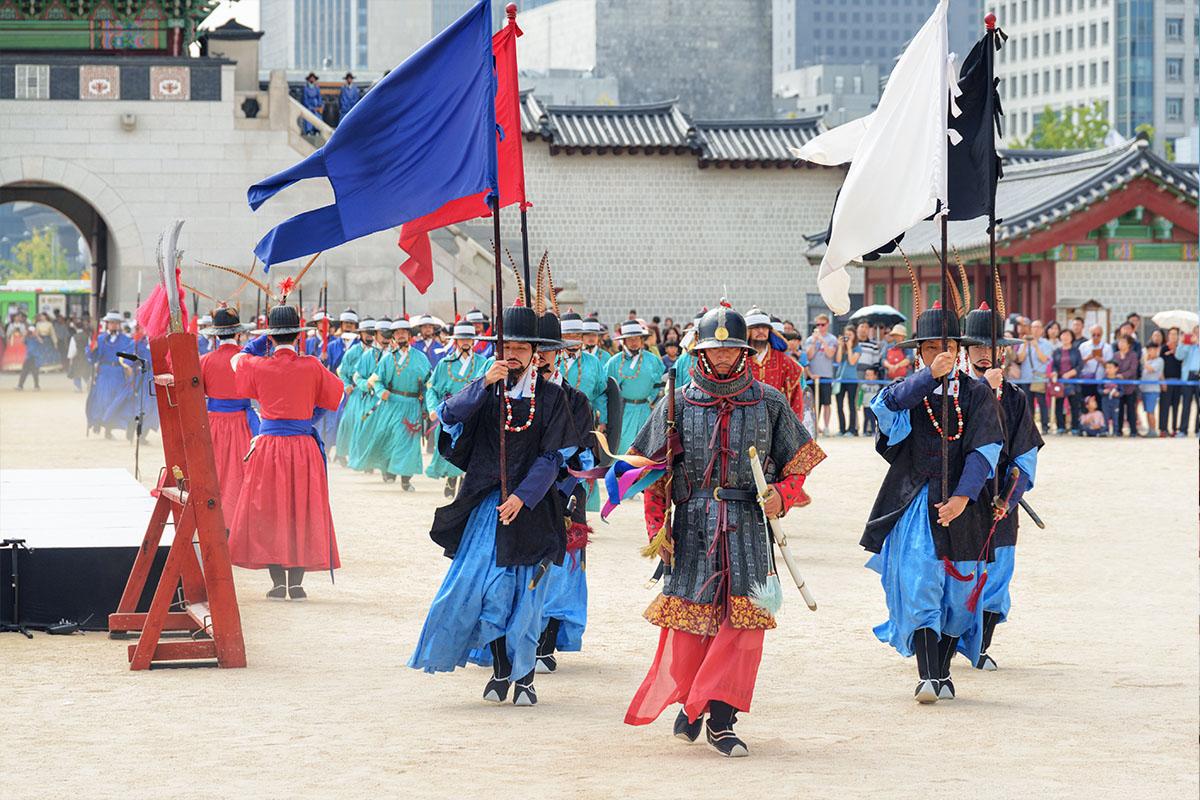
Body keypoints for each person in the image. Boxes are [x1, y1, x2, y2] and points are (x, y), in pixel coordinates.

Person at [622, 304, 826, 757]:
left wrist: (781, 495)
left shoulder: (769, 401)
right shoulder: (676, 402)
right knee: (693, 625)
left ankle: (722, 718)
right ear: (700, 350)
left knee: (743, 626)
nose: (721, 358)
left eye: (730, 349)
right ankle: (692, 701)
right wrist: (658, 529)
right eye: (713, 350)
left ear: (744, 351)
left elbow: (800, 463)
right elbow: (648, 472)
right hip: (694, 524)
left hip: (750, 527)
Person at [408, 303, 571, 707]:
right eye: (507, 346)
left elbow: (553, 457)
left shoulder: (552, 397)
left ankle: (526, 678)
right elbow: (447, 416)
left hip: (533, 509)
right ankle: (500, 669)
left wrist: (522, 496)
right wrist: (482, 384)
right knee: (487, 593)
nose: (513, 354)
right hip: (487, 508)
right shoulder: (485, 389)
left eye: (521, 347)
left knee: (528, 599)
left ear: (537, 352)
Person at [862, 302, 1003, 703]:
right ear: (919, 353)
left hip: (965, 504)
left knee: (960, 596)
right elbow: (885, 410)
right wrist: (928, 378)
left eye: (947, 345)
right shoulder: (908, 393)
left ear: (959, 349)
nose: (939, 353)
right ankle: (927, 674)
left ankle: (942, 670)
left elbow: (985, 450)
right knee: (921, 580)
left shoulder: (977, 394)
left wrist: (962, 496)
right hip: (916, 500)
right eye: (929, 348)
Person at [227, 305, 344, 600]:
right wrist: (307, 418)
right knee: (302, 509)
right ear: (298, 335)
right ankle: (297, 584)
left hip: (268, 445)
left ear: (272, 336)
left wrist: (260, 342)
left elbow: (235, 360)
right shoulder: (312, 365)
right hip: (302, 445)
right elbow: (338, 394)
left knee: (269, 509)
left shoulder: (259, 365)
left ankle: (278, 583)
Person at [959, 304, 1043, 671]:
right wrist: (980, 391)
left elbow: (1025, 456)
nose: (985, 355)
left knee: (998, 576)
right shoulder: (952, 393)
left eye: (992, 348)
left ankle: (980, 646)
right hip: (960, 497)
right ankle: (942, 646)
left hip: (998, 500)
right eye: (976, 347)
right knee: (957, 577)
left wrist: (1009, 499)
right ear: (964, 352)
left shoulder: (1016, 399)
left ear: (1004, 353)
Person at [532, 306, 594, 675]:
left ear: (559, 353)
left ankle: (547, 639)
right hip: (519, 496)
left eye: (547, 348)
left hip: (562, 494)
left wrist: (564, 488)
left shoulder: (576, 401)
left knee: (562, 570)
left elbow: (585, 455)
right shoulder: (508, 396)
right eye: (531, 347)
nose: (539, 355)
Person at [198, 307, 257, 514]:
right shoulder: (247, 360)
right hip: (242, 423)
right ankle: (238, 518)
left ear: (216, 335)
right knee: (240, 473)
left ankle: (212, 516)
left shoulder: (204, 361)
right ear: (238, 334)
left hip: (213, 422)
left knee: (214, 469)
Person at [360, 318, 431, 488]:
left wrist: (427, 407)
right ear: (393, 336)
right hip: (391, 403)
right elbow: (376, 380)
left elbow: (429, 384)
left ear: (409, 335)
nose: (400, 335)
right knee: (389, 437)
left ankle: (406, 478)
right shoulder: (387, 359)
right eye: (397, 333)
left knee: (408, 441)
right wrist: (380, 391)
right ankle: (389, 469)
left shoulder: (421, 358)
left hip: (412, 404)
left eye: (403, 332)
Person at [426, 322, 486, 497]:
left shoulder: (483, 363)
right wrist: (433, 408)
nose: (465, 341)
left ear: (473, 340)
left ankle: (463, 482)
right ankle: (452, 478)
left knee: (472, 448)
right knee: (452, 447)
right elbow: (432, 389)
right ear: (456, 341)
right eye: (462, 338)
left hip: (474, 412)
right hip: (451, 412)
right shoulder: (445, 363)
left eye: (469, 338)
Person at [558, 311, 609, 512]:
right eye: (568, 335)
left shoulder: (593, 362)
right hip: (556, 419)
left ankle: (583, 510)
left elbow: (599, 392)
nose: (573, 340)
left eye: (577, 335)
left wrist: (602, 420)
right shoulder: (552, 359)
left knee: (585, 462)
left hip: (583, 420)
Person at [606, 319, 665, 454]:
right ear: (624, 341)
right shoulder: (613, 362)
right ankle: (623, 474)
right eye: (630, 339)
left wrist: (652, 401)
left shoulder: (653, 360)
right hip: (624, 410)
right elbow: (608, 388)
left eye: (637, 338)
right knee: (623, 445)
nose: (634, 342)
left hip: (646, 409)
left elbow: (660, 384)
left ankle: (643, 474)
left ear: (642, 340)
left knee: (647, 445)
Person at [345, 317, 392, 474]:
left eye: (388, 334)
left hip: (389, 401)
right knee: (366, 432)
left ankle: (387, 468)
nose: (385, 338)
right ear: (376, 335)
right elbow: (357, 377)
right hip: (370, 400)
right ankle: (368, 462)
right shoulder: (367, 355)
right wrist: (366, 385)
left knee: (387, 434)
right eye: (382, 334)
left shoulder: (395, 355)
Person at [744, 307, 806, 424]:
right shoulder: (739, 359)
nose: (761, 331)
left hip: (777, 422)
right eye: (756, 328)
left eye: (765, 328)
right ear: (748, 332)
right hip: (746, 421)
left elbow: (795, 397)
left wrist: (794, 425)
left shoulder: (784, 361)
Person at [333, 317, 376, 464]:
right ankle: (342, 452)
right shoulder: (353, 352)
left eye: (372, 332)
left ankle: (367, 456)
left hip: (375, 392)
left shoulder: (379, 352)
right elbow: (342, 371)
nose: (370, 336)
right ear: (361, 334)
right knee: (349, 421)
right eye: (367, 332)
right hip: (357, 392)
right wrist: (346, 385)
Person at [86, 311, 135, 438]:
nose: (113, 325)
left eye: (116, 323)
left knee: (117, 400)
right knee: (103, 400)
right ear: (107, 324)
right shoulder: (100, 339)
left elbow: (130, 356)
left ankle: (111, 428)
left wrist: (128, 365)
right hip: (104, 373)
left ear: (119, 325)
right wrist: (93, 349)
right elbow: (92, 358)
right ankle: (100, 424)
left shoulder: (126, 340)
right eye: (111, 323)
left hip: (119, 373)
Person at [1014, 319, 1052, 434]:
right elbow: (1020, 359)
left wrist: (1036, 346)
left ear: (1042, 330)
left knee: (1042, 401)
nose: (1035, 330)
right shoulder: (1024, 342)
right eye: (1033, 327)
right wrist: (1025, 345)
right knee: (1028, 402)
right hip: (1025, 377)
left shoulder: (1046, 343)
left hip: (1039, 377)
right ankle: (1030, 427)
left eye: (1038, 327)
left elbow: (1044, 359)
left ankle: (1045, 426)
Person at [804, 314, 838, 435]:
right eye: (817, 324)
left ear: (827, 324)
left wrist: (822, 340)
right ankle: (815, 426)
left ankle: (827, 426)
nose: (820, 327)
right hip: (813, 375)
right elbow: (809, 356)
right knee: (813, 403)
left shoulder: (832, 339)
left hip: (826, 375)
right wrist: (814, 342)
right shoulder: (809, 340)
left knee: (826, 402)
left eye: (822, 324)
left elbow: (830, 354)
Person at [1050, 329, 1083, 434]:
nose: (1065, 337)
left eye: (1068, 335)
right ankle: (1060, 427)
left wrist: (1070, 373)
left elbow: (1080, 365)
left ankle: (1074, 428)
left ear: (1072, 337)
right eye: (1063, 335)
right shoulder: (1057, 351)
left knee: (1074, 405)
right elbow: (1054, 365)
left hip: (1073, 381)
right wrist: (1055, 372)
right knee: (1059, 405)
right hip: (1060, 382)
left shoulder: (1076, 351)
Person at [834, 324, 860, 435]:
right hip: (840, 379)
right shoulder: (842, 346)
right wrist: (840, 346)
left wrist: (849, 347)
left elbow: (852, 361)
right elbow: (838, 360)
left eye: (850, 334)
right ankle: (841, 429)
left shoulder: (858, 348)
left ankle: (851, 429)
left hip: (852, 380)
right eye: (846, 335)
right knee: (839, 405)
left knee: (851, 405)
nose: (848, 337)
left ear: (854, 336)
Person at [1078, 325, 1112, 407]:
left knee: (1100, 405)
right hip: (1086, 380)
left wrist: (1102, 361)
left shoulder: (1107, 347)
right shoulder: (1083, 346)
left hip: (1101, 380)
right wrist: (1087, 358)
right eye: (1093, 334)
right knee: (1085, 405)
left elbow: (1111, 366)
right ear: (1090, 334)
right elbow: (1077, 364)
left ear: (1102, 335)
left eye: (1098, 335)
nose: (1096, 337)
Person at [1112, 335, 1139, 436]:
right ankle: (1118, 430)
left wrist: (1122, 375)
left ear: (1129, 344)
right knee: (1119, 409)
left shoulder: (1133, 355)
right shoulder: (1115, 355)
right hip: (1118, 387)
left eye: (1123, 342)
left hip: (1130, 387)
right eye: (1119, 342)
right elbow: (1112, 367)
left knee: (1131, 409)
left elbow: (1133, 370)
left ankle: (1133, 430)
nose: (1121, 344)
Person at [1177, 327, 1200, 437]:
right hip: (1188, 376)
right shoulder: (1187, 345)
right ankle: (1183, 430)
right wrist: (1183, 343)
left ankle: (1198, 430)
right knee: (1186, 404)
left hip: (1198, 375)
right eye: (1195, 331)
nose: (1196, 333)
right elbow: (1178, 356)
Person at [1141, 341, 1163, 436]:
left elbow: (1150, 369)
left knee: (1151, 411)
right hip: (1145, 389)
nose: (1150, 352)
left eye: (1152, 349)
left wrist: (1145, 360)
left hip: (1152, 390)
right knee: (1147, 411)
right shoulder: (1148, 361)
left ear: (1157, 350)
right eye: (1149, 350)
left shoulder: (1159, 360)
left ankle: (1153, 430)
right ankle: (1150, 430)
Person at [66, 318, 91, 392]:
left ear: (75, 327)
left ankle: (78, 387)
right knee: (85, 371)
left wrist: (70, 358)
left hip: (77, 357)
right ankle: (88, 382)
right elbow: (90, 346)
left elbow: (72, 349)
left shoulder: (74, 337)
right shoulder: (87, 336)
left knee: (76, 372)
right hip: (85, 356)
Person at [859, 366, 881, 435]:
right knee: (866, 418)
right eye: (866, 375)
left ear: (875, 376)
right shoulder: (863, 386)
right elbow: (860, 396)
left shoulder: (877, 387)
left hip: (873, 406)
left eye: (870, 375)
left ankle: (874, 432)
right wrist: (859, 404)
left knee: (873, 419)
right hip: (865, 405)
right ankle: (864, 431)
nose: (868, 377)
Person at [1101, 361, 1121, 435]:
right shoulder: (1103, 379)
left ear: (1116, 369)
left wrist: (1118, 393)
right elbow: (1099, 389)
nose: (1108, 370)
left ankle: (1115, 431)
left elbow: (1121, 390)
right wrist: (1103, 391)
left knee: (1115, 416)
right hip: (1105, 400)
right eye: (1107, 368)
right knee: (1106, 416)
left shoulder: (1119, 380)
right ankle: (1106, 430)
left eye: (1110, 367)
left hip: (1115, 401)